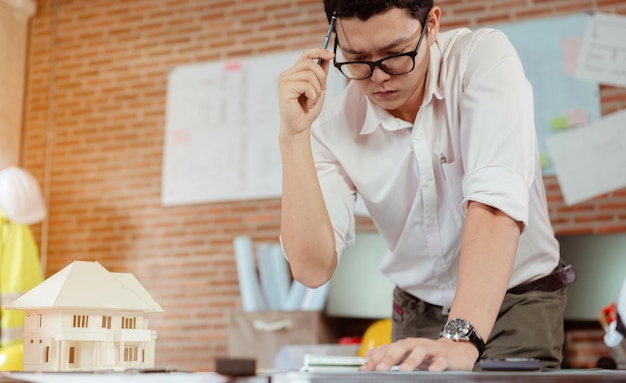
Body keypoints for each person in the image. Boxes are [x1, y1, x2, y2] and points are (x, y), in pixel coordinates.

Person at [277, 0, 575, 372]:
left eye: (395, 55)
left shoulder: (481, 60)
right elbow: (312, 269)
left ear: (431, 25)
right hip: (417, 308)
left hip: (517, 299)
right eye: (356, 59)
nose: (378, 77)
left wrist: (460, 339)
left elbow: (494, 204)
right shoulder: (333, 124)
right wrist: (294, 136)